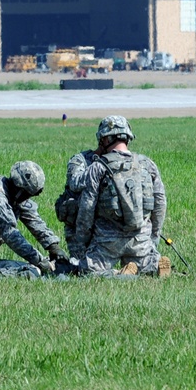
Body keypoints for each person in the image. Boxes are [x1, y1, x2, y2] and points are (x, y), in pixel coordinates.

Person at [70, 116, 167, 275]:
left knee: (87, 271)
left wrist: (82, 242)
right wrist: (153, 237)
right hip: (140, 239)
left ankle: (119, 274)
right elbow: (160, 204)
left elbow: (87, 208)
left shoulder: (98, 167)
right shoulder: (147, 164)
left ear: (106, 139)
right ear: (128, 137)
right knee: (146, 264)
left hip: (107, 241)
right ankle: (152, 265)